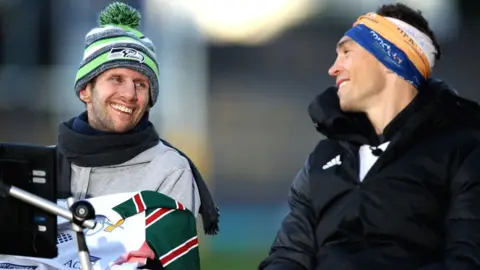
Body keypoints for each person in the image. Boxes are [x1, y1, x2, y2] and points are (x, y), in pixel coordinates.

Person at [259, 3, 480, 270]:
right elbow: (288, 257)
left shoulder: (463, 153)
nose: (334, 68)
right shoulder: (321, 160)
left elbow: (466, 261)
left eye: (346, 52)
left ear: (391, 58)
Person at [52, 2, 219, 269]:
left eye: (140, 84)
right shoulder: (46, 164)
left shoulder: (170, 169)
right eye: (116, 79)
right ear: (85, 89)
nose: (129, 94)